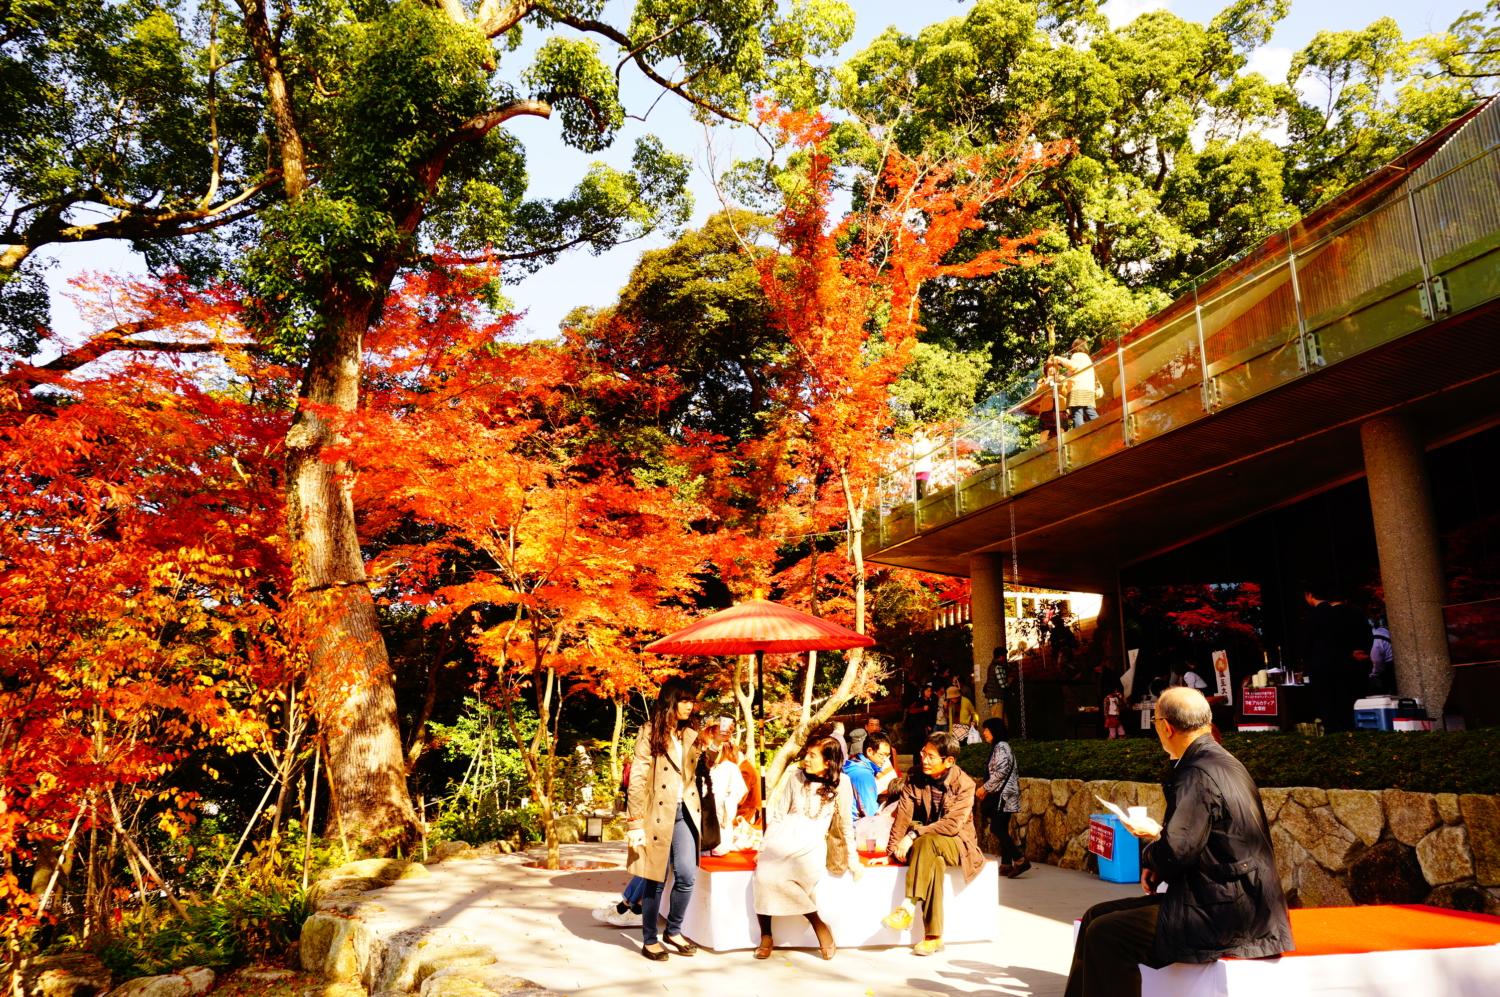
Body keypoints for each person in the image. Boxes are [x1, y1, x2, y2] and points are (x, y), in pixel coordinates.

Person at [1062, 688, 1292, 997]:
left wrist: (1150, 849)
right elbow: (1196, 844)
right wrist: (1156, 861)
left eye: (1156, 720)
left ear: (1165, 727)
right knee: (1095, 916)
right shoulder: (1221, 761)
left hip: (1228, 912)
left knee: (1107, 934)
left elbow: (1176, 852)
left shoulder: (1196, 772)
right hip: (1229, 896)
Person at [627, 678, 719, 962]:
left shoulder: (690, 734)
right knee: (655, 878)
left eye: (692, 701)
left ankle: (674, 930)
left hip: (685, 812)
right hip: (657, 813)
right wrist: (634, 821)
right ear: (670, 701)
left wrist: (713, 747)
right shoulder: (649, 732)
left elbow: (701, 771)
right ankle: (650, 938)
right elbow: (639, 777)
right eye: (684, 700)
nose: (689, 706)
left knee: (687, 875)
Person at [752, 736, 859, 961]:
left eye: (813, 755)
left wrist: (853, 857)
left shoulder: (843, 782)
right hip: (783, 837)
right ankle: (766, 935)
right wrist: (764, 846)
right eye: (806, 754)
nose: (806, 759)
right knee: (763, 874)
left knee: (787, 878)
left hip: (811, 843)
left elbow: (846, 823)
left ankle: (818, 924)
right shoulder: (796, 777)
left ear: (828, 761)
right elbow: (780, 814)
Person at [880, 732, 985, 956]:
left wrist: (912, 835)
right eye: (923, 754)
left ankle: (907, 906)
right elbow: (903, 817)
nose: (924, 760)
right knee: (933, 861)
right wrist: (891, 852)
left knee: (925, 841)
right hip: (927, 844)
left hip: (958, 844)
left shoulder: (965, 785)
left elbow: (952, 826)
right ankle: (933, 936)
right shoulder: (915, 776)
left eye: (930, 757)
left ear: (949, 761)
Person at [976, 718, 1027, 877]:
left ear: (995, 731)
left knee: (996, 828)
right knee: (1002, 827)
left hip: (1003, 796)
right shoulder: (1000, 747)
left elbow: (1001, 771)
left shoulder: (1001, 747)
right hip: (1005, 795)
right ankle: (1006, 864)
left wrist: (985, 787)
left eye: (987, 730)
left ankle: (1020, 860)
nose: (984, 733)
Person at [843, 731, 894, 819]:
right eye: (882, 755)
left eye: (887, 756)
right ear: (869, 751)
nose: (885, 760)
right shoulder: (864, 774)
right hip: (855, 825)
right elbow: (870, 812)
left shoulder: (854, 764)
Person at [1063, 338, 1098, 429]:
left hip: (1078, 389)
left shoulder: (1076, 355)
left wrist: (1060, 359)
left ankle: (1080, 436)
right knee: (1090, 411)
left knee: (1077, 413)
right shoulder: (1087, 358)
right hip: (1088, 390)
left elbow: (1073, 366)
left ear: (1075, 346)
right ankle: (1102, 428)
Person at [1369, 621, 1394, 695]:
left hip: (1386, 672)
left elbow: (1376, 663)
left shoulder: (1375, 637)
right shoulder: (1383, 631)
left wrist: (1372, 675)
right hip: (1390, 667)